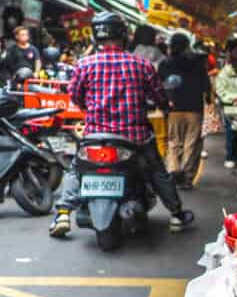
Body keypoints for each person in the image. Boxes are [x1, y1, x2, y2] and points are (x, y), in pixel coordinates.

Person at [50, 12, 193, 237]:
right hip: (134, 137)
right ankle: (176, 214)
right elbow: (159, 97)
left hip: (95, 135)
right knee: (157, 171)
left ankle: (63, 213)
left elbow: (75, 96)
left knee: (76, 170)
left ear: (96, 37)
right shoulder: (141, 65)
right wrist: (166, 106)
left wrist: (90, 109)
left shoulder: (84, 64)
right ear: (124, 36)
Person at [158, 33, 211, 189]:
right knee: (192, 144)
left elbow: (159, 85)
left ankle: (173, 171)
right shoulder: (197, 62)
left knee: (174, 142)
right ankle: (186, 177)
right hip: (194, 107)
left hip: (173, 107)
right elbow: (205, 85)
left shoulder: (165, 64)